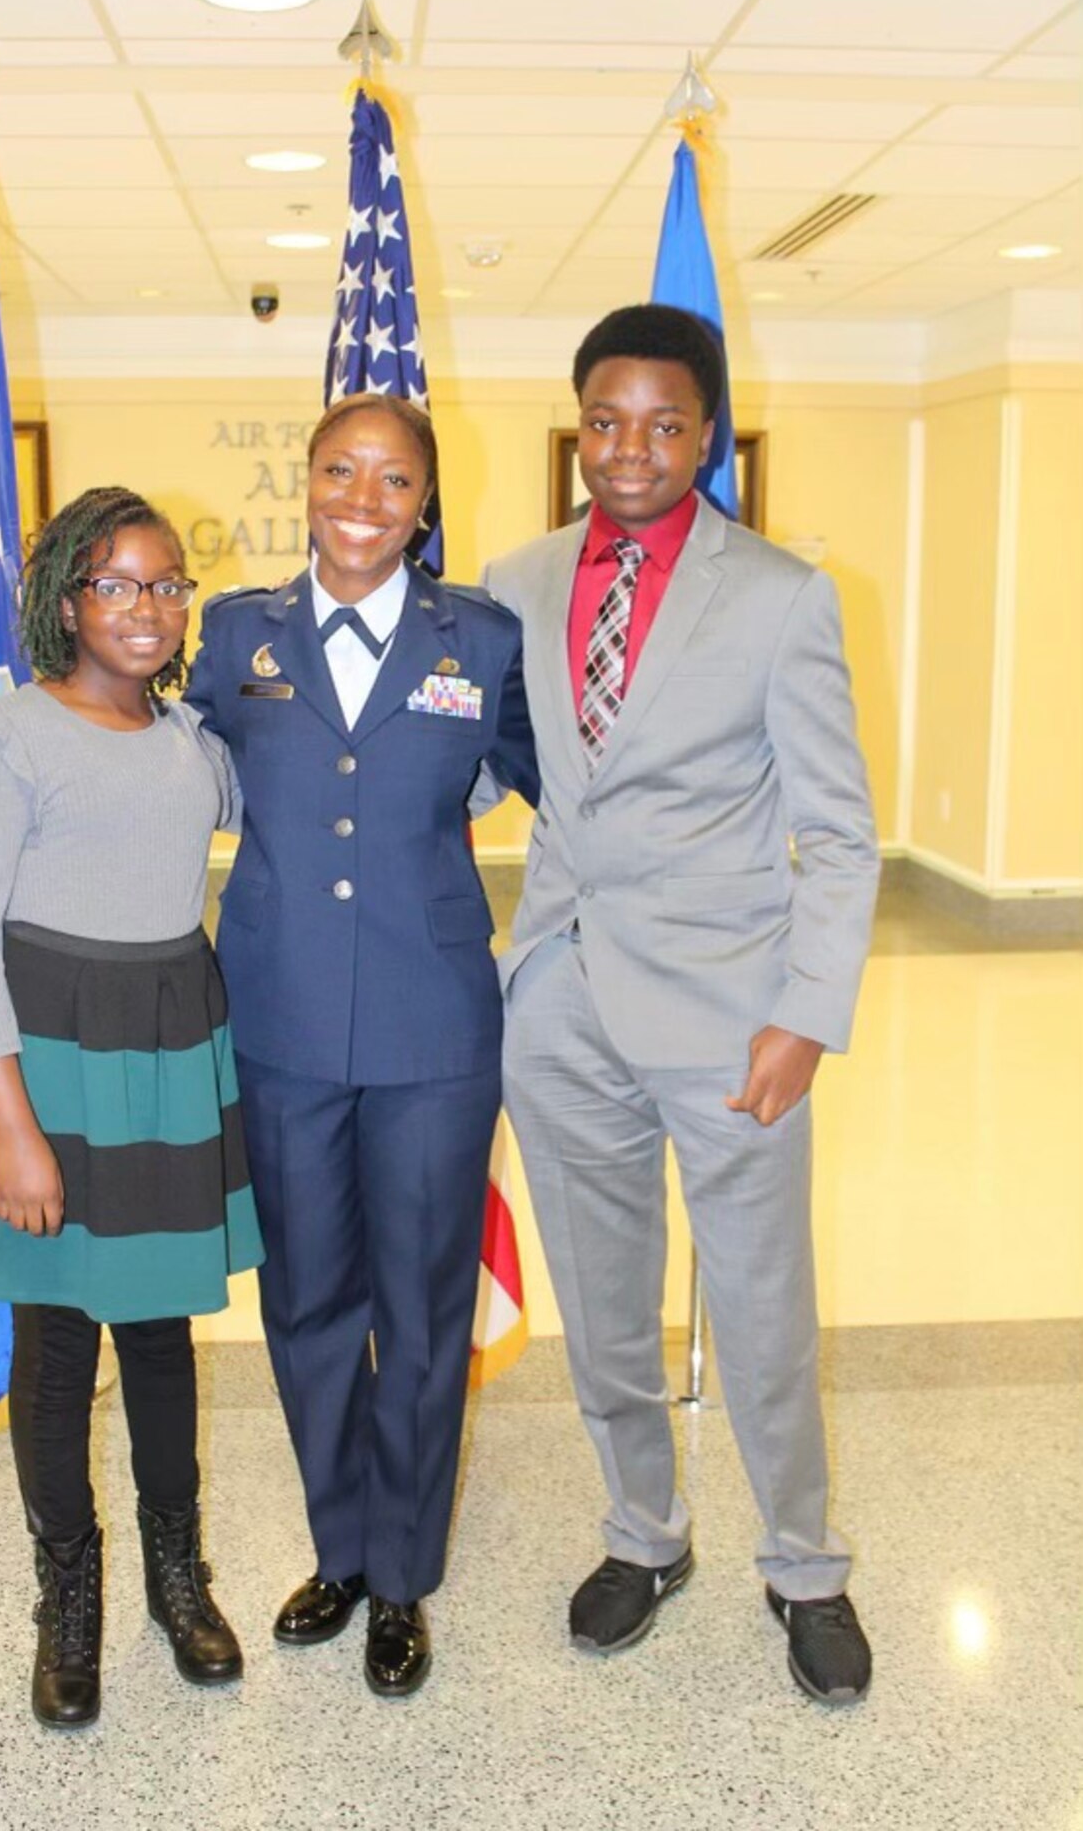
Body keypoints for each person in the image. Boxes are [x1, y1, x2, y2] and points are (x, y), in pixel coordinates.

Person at [485, 305, 879, 1706]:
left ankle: (805, 1565)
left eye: (663, 424)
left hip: (731, 1015)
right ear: (577, 426)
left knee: (764, 1308)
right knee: (602, 1303)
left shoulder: (779, 595)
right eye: (605, 422)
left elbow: (838, 831)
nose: (631, 450)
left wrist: (806, 1014)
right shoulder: (514, 583)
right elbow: (473, 772)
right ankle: (644, 1536)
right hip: (561, 1002)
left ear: (707, 433)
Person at [188, 392, 538, 1697]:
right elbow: (174, 768)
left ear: (424, 502)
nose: (362, 499)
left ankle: (403, 1577)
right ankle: (340, 1550)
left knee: (424, 1311)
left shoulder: (482, 642)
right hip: (277, 1018)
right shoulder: (235, 638)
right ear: (310, 478)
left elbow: (541, 782)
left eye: (395, 481)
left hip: (436, 1023)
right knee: (308, 1302)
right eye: (342, 470)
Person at [0, 488, 263, 1730]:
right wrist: (11, 1124)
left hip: (166, 1044)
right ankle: (69, 1595)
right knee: (58, 1350)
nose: (148, 608)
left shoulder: (191, 743)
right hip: (47, 1059)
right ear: (69, 600)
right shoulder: (10, 736)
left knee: (161, 1337)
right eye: (117, 584)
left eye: (168, 585)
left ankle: (179, 1573)